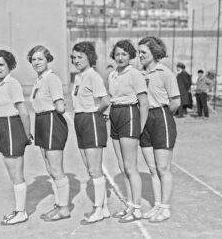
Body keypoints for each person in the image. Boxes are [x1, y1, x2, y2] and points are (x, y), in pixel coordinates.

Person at [138, 37, 180, 223]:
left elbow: (176, 101)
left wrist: (162, 115)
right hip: (144, 119)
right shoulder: (138, 74)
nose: (139, 56)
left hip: (161, 118)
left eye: (143, 53)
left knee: (163, 168)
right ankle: (157, 205)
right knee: (153, 168)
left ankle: (165, 208)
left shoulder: (165, 73)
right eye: (138, 52)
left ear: (154, 53)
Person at [108, 40, 149, 223]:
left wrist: (139, 128)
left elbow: (144, 103)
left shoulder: (135, 74)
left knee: (130, 165)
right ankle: (130, 206)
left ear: (130, 55)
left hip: (129, 115)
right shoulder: (112, 75)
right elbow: (112, 99)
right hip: (115, 114)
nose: (120, 57)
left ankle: (137, 209)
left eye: (124, 54)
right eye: (117, 54)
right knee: (121, 165)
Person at [27, 45, 70, 221]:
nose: (36, 62)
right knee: (49, 168)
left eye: (40, 59)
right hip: (42, 121)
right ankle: (59, 205)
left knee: (55, 168)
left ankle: (64, 208)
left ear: (47, 60)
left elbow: (60, 106)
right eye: (33, 59)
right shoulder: (39, 80)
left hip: (52, 120)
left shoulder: (51, 78)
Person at [71, 41, 110, 225]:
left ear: (89, 57)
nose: (76, 60)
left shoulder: (93, 76)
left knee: (94, 169)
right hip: (80, 120)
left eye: (80, 57)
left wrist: (94, 113)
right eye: (74, 57)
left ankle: (98, 209)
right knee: (90, 168)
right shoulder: (79, 77)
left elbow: (105, 101)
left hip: (91, 120)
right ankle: (105, 208)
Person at [0, 50, 32, 225]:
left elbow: (23, 111)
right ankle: (18, 210)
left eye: (2, 64)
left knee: (16, 174)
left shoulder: (12, 83)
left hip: (11, 127)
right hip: (2, 126)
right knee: (12, 174)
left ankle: (21, 212)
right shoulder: (0, 84)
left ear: (10, 66)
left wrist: (27, 134)